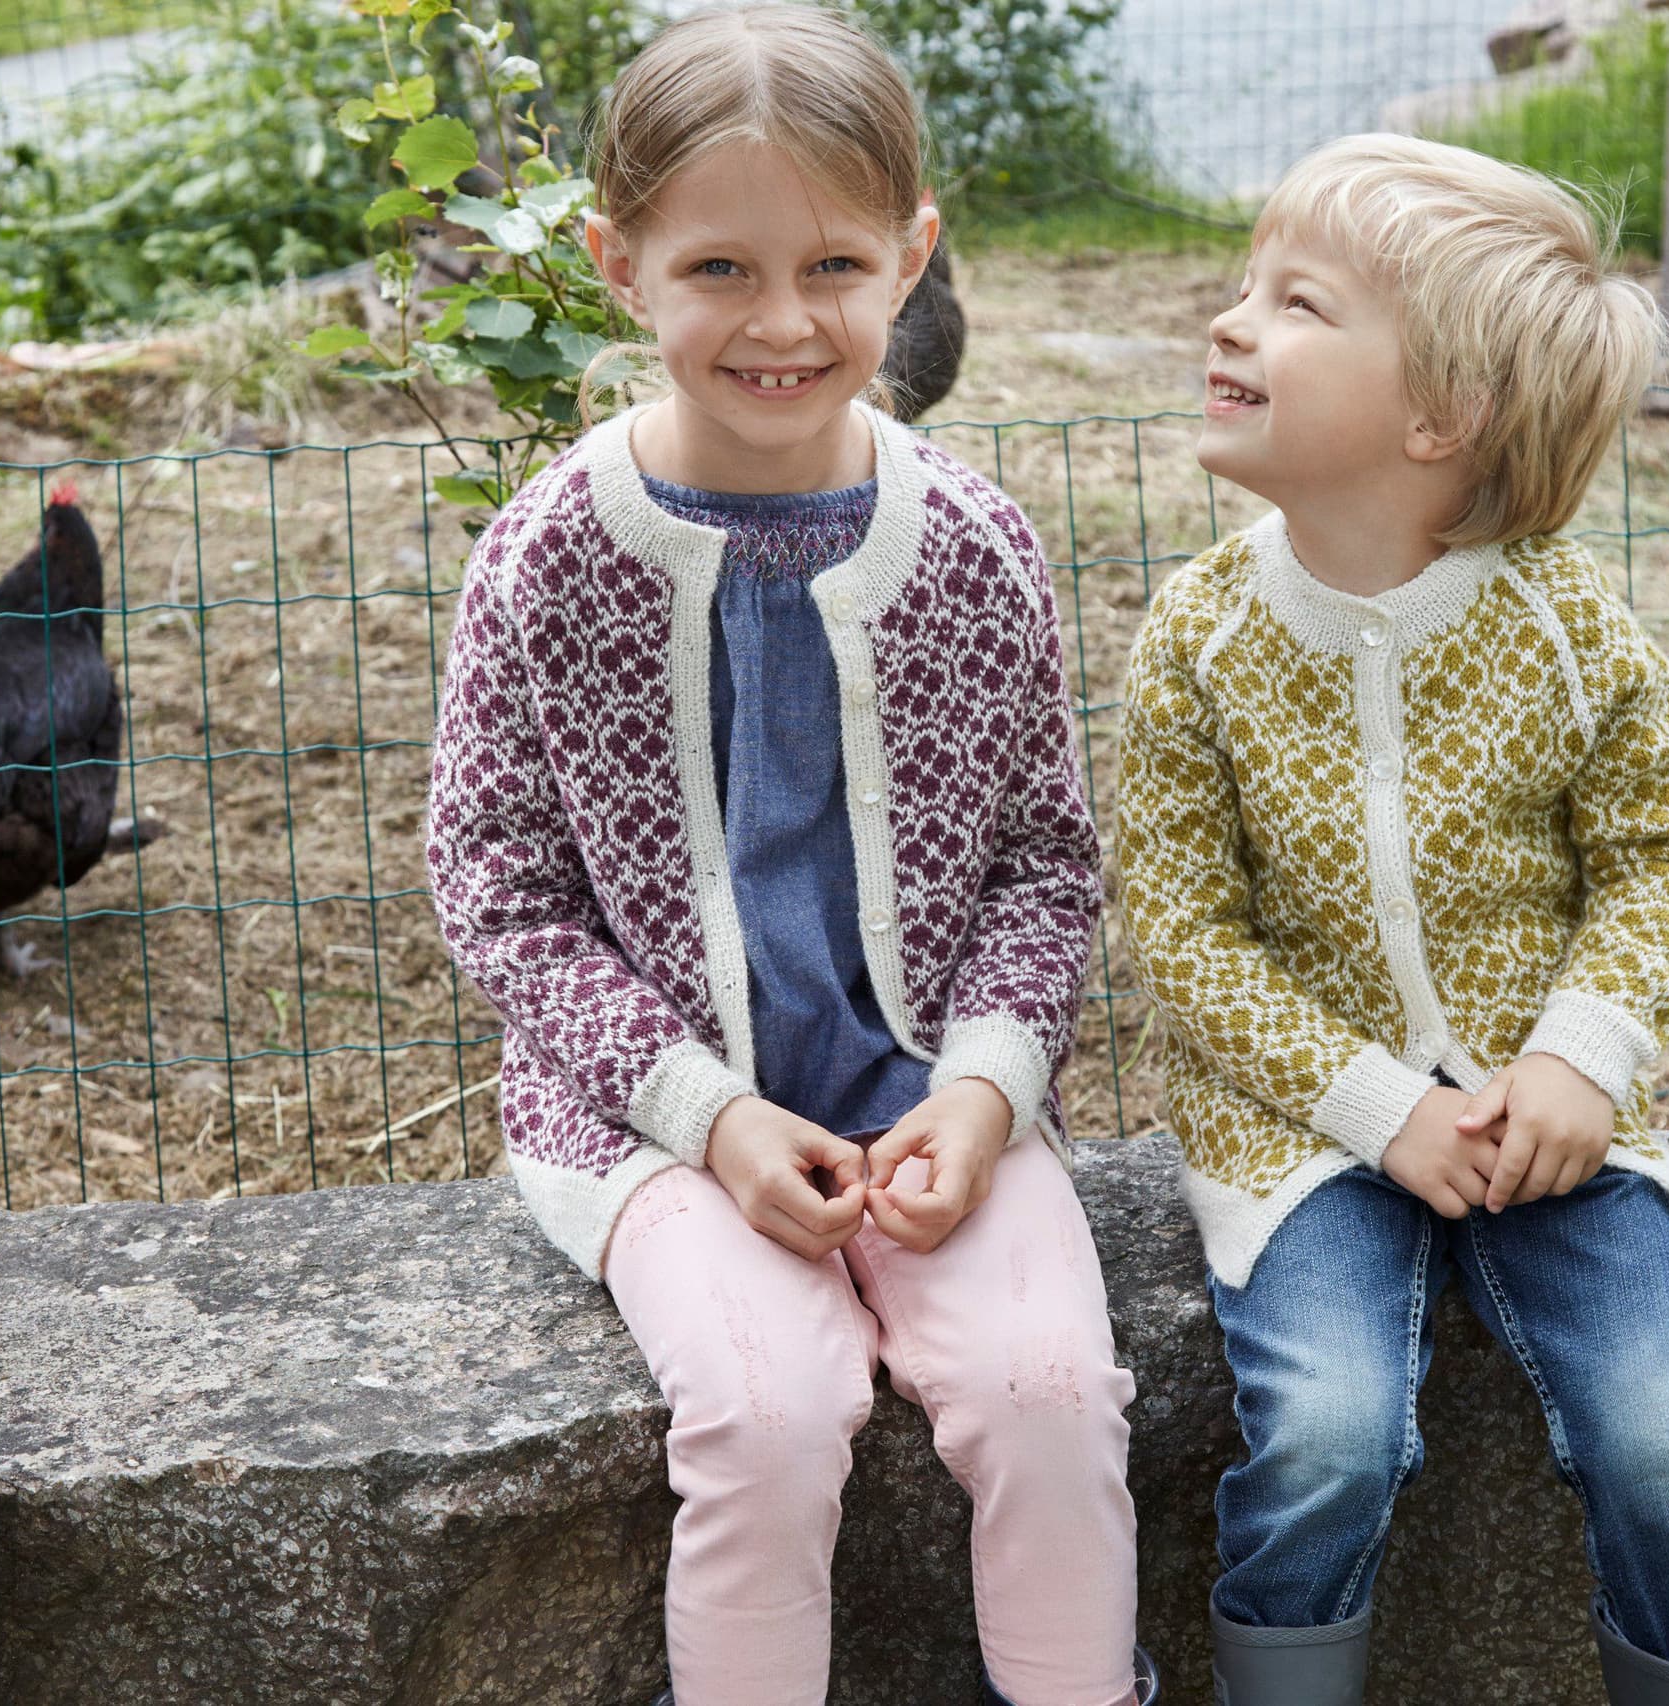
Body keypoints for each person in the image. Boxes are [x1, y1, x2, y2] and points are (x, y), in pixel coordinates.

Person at [425, 8, 1155, 1702]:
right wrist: (712, 1115)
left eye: (833, 264)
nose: (781, 321)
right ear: (619, 266)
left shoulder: (973, 549)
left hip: (934, 1097)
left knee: (1051, 1398)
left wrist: (984, 1095)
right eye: (718, 269)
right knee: (766, 1411)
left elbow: (1045, 867)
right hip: (655, 1120)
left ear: (913, 256)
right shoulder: (546, 561)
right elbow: (500, 892)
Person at [1116, 133, 1669, 1705]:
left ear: (1441, 417)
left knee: (1667, 1443)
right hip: (1301, 1128)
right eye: (1247, 285)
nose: (1230, 321)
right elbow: (1181, 931)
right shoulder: (1199, 636)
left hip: (1549, 1125)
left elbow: (1665, 852)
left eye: (1298, 303)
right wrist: (1378, 1106)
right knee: (1330, 1435)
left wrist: (1581, 1055)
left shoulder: (1565, 624)